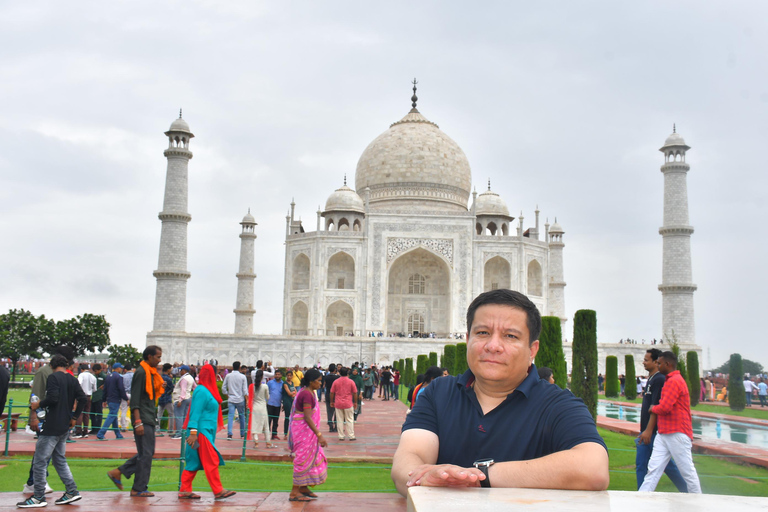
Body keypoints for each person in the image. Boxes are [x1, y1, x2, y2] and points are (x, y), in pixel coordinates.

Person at [392, 289, 609, 496]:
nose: (493, 346)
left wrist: (480, 475)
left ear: (532, 349)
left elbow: (593, 468)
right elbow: (410, 458)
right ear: (468, 340)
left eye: (510, 336)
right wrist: (426, 478)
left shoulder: (557, 404)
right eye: (483, 333)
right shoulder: (439, 393)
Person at [18, 354, 86, 508]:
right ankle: (71, 491)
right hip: (64, 425)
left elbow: (53, 398)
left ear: (52, 366)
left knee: (40, 461)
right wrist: (74, 417)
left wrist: (38, 405)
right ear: (66, 365)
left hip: (52, 424)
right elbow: (82, 398)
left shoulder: (53, 377)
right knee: (59, 460)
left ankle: (38, 496)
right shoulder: (72, 379)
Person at [638, 351, 702, 493]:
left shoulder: (674, 381)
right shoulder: (669, 380)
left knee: (687, 472)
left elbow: (665, 407)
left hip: (676, 432)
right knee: (653, 469)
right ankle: (641, 499)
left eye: (660, 363)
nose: (658, 365)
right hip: (664, 432)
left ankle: (698, 501)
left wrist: (653, 408)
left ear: (668, 364)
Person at [107, 346, 164, 497]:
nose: (160, 360)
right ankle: (138, 488)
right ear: (149, 357)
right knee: (146, 453)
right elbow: (136, 398)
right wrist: (137, 421)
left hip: (148, 416)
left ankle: (119, 472)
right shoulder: (141, 372)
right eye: (158, 357)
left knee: (147, 453)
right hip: (143, 418)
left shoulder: (150, 373)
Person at [178, 364, 236, 500]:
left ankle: (185, 490)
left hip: (203, 432)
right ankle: (218, 490)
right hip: (199, 434)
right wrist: (193, 433)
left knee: (195, 460)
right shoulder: (202, 391)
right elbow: (195, 412)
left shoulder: (206, 391)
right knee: (211, 459)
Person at [287, 369, 328, 502]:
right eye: (319, 381)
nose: (320, 384)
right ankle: (294, 492)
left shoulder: (308, 392)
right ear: (311, 381)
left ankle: (303, 487)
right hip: (303, 432)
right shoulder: (307, 394)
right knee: (302, 459)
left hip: (305, 432)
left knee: (311, 457)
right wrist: (319, 434)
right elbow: (307, 417)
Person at [97, 363, 128, 440]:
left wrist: (104, 399)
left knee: (114, 416)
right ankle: (101, 433)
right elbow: (121, 389)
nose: (121, 369)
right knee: (111, 416)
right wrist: (126, 398)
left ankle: (118, 434)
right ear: (117, 368)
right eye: (120, 368)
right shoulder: (119, 377)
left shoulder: (108, 377)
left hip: (109, 399)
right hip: (116, 399)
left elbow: (105, 389)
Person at [247, 370, 276, 448]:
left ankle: (256, 442)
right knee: (266, 425)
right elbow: (268, 397)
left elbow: (251, 397)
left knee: (254, 424)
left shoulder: (252, 386)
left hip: (255, 407)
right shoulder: (265, 386)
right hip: (263, 407)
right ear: (262, 377)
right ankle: (268, 442)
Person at [221, 361, 248, 441]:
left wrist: (227, 395)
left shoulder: (228, 376)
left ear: (232, 367)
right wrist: (247, 400)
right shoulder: (242, 377)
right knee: (242, 416)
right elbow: (245, 390)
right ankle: (242, 434)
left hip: (231, 399)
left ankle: (229, 433)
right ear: (240, 368)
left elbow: (223, 388)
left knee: (230, 416)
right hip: (240, 399)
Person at [330, 367, 358, 441]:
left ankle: (341, 435)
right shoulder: (351, 381)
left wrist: (331, 401)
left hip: (338, 403)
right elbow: (355, 393)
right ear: (347, 373)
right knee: (349, 419)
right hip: (348, 403)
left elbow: (332, 392)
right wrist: (355, 402)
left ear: (339, 373)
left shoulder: (336, 382)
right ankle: (351, 435)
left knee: (339, 420)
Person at [171, 365, 196, 440]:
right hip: (188, 398)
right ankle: (184, 433)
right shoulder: (191, 377)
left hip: (181, 399)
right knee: (185, 417)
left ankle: (179, 433)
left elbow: (183, 390)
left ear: (184, 370)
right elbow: (195, 387)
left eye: (181, 370)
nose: (180, 371)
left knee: (179, 417)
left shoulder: (184, 379)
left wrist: (180, 400)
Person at [73, 364, 96, 438]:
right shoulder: (93, 377)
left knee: (79, 413)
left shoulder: (81, 375)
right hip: (89, 396)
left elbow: (78, 384)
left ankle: (78, 431)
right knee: (87, 414)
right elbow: (94, 389)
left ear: (82, 369)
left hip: (81, 396)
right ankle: (85, 431)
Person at [156, 363, 174, 437]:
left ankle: (157, 430)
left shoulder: (160, 377)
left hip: (160, 397)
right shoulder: (168, 379)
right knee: (171, 414)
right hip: (167, 398)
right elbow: (171, 388)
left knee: (159, 414)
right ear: (168, 369)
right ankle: (170, 430)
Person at [267, 369, 284, 440]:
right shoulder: (270, 383)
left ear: (281, 375)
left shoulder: (283, 384)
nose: (277, 376)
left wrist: (283, 403)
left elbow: (283, 394)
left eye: (278, 374)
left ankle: (274, 434)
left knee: (276, 420)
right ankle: (267, 434)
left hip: (277, 404)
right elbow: (266, 392)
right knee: (268, 419)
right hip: (270, 403)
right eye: (276, 374)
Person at [88, 364, 105, 435]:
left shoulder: (104, 376)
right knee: (92, 413)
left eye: (96, 371)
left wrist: (104, 386)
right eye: (94, 371)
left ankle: (97, 429)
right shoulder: (94, 376)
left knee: (99, 414)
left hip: (99, 397)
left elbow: (108, 383)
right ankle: (93, 428)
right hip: (94, 396)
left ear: (100, 370)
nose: (95, 372)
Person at [323, 364, 339, 432]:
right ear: (335, 369)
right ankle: (336, 426)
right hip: (336, 395)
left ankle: (330, 425)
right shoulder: (337, 377)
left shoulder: (326, 377)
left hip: (328, 394)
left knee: (329, 411)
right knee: (337, 411)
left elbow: (324, 386)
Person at [118, 364, 134, 432]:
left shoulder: (123, 377)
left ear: (125, 370)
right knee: (135, 410)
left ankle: (123, 426)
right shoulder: (135, 375)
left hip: (125, 394)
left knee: (124, 410)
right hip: (133, 393)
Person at [282, 370, 297, 437]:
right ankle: (285, 433)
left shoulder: (292, 383)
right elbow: (289, 393)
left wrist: (293, 394)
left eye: (290, 375)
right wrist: (293, 394)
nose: (289, 377)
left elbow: (295, 391)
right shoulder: (285, 383)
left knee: (292, 416)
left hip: (292, 401)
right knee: (287, 416)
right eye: (288, 375)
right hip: (286, 400)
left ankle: (291, 432)